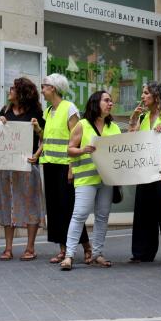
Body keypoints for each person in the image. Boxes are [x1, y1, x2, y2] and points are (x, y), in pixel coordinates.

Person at [61, 90, 120, 271]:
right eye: (106, 100)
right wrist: (83, 150)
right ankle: (69, 255)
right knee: (79, 214)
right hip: (86, 178)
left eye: (111, 101)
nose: (110, 104)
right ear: (96, 103)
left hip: (106, 179)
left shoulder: (114, 128)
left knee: (102, 216)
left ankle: (97, 254)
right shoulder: (82, 125)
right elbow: (69, 149)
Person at [39, 74, 93, 264]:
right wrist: (38, 149)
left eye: (44, 86)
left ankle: (86, 246)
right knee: (54, 208)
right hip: (50, 164)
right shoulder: (47, 111)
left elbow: (75, 138)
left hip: (65, 165)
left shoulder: (69, 108)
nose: (42, 90)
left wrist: (72, 167)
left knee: (69, 207)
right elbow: (47, 138)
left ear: (53, 88)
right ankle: (62, 248)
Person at [0, 78, 46, 261]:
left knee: (31, 204)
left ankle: (30, 248)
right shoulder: (5, 111)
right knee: (8, 205)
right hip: (7, 167)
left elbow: (46, 137)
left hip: (27, 166)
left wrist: (38, 153)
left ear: (22, 93)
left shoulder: (35, 112)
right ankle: (8, 248)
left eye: (14, 88)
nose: (10, 90)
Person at [127, 81, 161, 264]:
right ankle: (142, 253)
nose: (142, 96)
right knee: (143, 213)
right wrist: (133, 119)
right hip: (144, 172)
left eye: (146, 93)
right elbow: (132, 142)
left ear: (156, 96)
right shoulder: (142, 118)